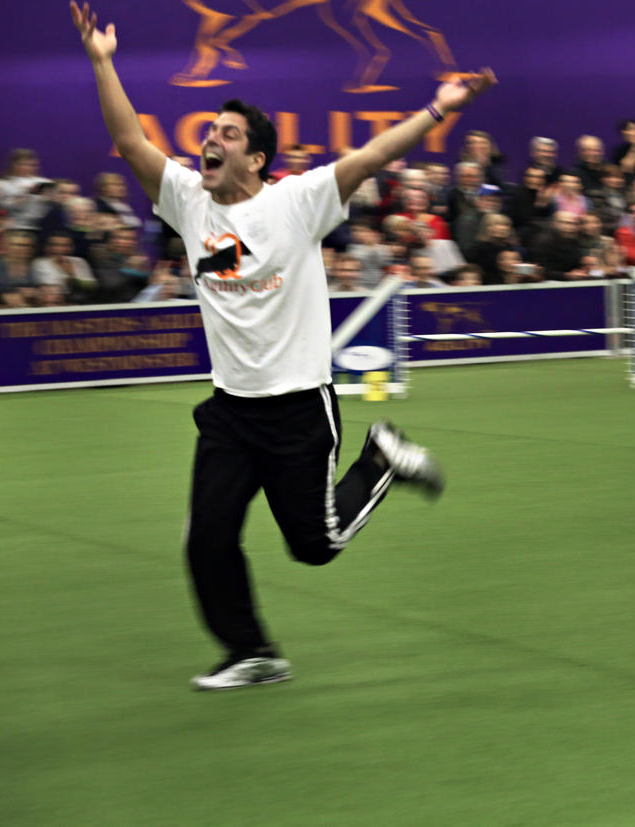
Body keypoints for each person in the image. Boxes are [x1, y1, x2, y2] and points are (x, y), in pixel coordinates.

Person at [71, 2, 494, 691]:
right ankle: (251, 651)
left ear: (257, 156)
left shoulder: (296, 201)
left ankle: (383, 457)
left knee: (316, 545)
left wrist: (438, 108)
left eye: (227, 134)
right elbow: (129, 143)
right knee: (206, 537)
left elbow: (375, 155)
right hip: (232, 411)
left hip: (298, 408)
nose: (211, 140)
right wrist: (101, 61)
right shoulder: (188, 201)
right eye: (210, 130)